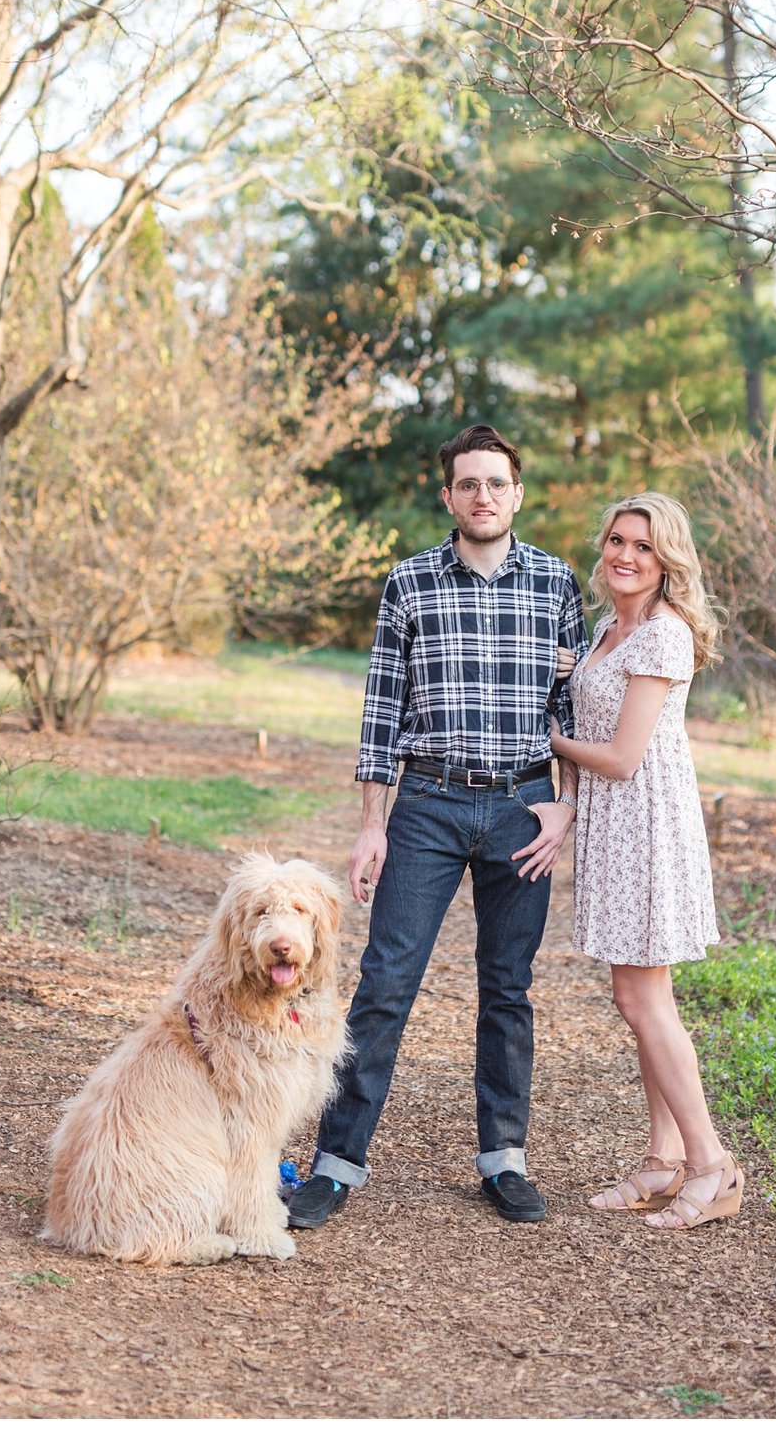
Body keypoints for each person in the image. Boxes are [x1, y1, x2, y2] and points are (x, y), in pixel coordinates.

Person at [285, 424, 586, 1229]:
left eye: (497, 482)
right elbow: (381, 710)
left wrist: (567, 800)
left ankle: (504, 1159)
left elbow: (577, 707)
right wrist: (372, 823)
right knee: (385, 983)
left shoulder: (556, 584)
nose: (483, 495)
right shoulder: (410, 583)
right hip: (427, 804)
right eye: (468, 484)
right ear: (448, 495)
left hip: (524, 807)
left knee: (508, 987)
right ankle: (336, 1162)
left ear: (517, 493)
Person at [523, 490, 744, 1230]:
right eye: (618, 540)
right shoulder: (603, 631)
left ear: (666, 559)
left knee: (640, 1000)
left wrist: (542, 741)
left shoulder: (662, 633)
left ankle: (713, 1164)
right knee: (646, 1001)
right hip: (613, 831)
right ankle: (662, 1159)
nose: (625, 554)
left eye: (643, 546)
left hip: (648, 825)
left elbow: (620, 755)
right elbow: (591, 715)